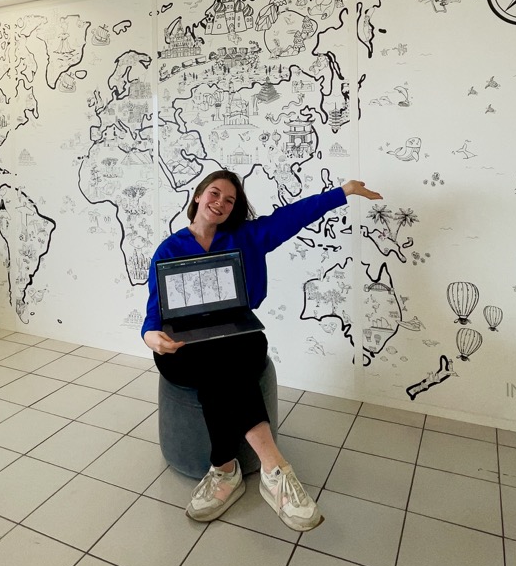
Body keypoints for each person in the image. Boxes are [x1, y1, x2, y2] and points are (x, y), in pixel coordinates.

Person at [141, 169, 382, 530]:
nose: (220, 203)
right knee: (216, 367)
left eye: (230, 200)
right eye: (214, 193)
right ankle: (274, 470)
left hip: (238, 335)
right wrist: (150, 336)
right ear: (198, 196)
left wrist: (343, 191)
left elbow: (294, 215)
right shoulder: (170, 249)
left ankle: (227, 471)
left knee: (223, 364)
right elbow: (153, 312)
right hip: (186, 347)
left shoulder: (247, 237)